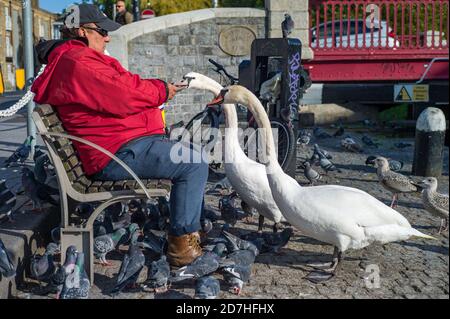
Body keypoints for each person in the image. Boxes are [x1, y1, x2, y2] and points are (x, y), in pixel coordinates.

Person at [31, 4, 207, 267]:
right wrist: (160, 90)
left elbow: (126, 84)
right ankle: (182, 246)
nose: (107, 37)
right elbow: (124, 94)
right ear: (81, 31)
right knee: (193, 162)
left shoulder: (80, 58)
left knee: (193, 153)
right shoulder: (78, 62)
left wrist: (157, 88)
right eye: (102, 31)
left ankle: (191, 230)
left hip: (121, 145)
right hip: (116, 153)